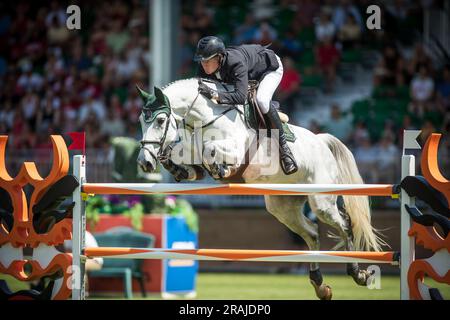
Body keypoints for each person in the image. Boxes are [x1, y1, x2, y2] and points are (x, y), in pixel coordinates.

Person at [193, 36, 298, 175]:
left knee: (262, 101)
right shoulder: (204, 66)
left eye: (207, 60)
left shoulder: (235, 62)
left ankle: (285, 150)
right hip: (247, 73)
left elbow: (240, 97)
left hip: (268, 68)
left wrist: (214, 94)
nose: (204, 64)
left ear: (219, 57)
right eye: (202, 60)